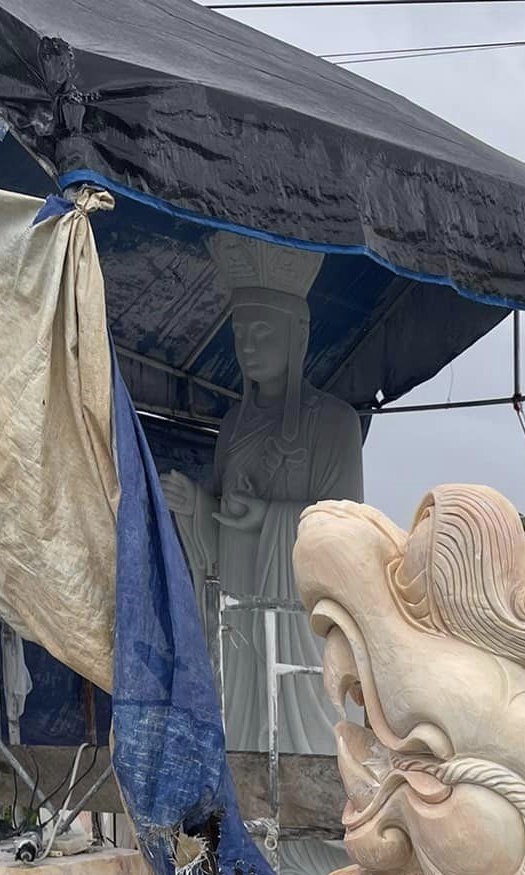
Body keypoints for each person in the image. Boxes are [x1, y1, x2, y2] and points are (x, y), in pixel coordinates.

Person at [162, 234, 364, 786]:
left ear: (297, 336)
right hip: (241, 606)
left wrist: (266, 518)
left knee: (304, 725)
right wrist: (198, 507)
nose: (248, 346)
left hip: (298, 617)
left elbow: (346, 527)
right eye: (240, 332)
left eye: (263, 332)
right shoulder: (233, 426)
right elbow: (220, 522)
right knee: (241, 718)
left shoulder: (335, 423)